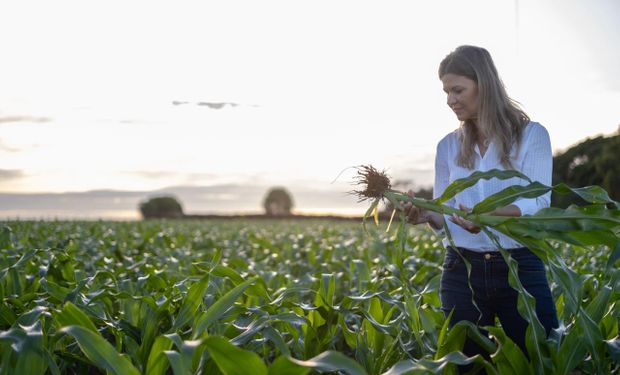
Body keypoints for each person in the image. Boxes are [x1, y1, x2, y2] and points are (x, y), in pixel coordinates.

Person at [402, 45, 558, 364]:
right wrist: (425, 214)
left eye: (457, 90)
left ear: (483, 84)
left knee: (539, 359)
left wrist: (488, 217)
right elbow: (444, 211)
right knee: (464, 365)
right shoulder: (447, 147)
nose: (450, 100)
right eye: (446, 92)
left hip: (520, 265)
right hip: (462, 268)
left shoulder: (532, 137)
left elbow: (538, 203)